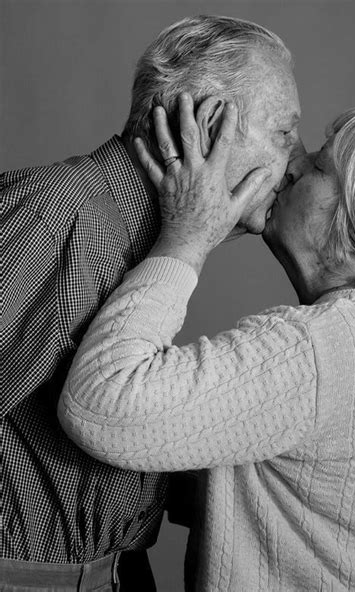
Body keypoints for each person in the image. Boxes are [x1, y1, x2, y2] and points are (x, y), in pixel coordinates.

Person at [58, 96, 355, 591]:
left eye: (319, 165)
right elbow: (301, 501)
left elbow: (100, 405)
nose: (293, 165)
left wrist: (187, 236)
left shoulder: (321, 348)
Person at [0, 15, 301, 590]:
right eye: (285, 134)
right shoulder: (63, 219)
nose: (298, 161)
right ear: (209, 124)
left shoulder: (141, 241)